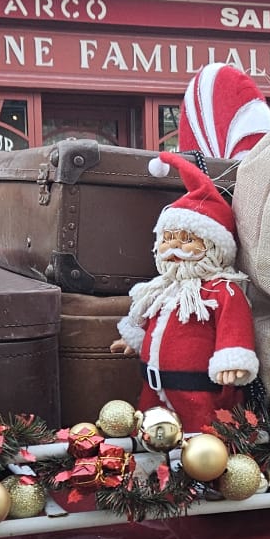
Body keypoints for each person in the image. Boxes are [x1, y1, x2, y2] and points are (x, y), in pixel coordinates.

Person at [111, 156, 257, 431]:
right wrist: (134, 339)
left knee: (203, 434)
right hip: (153, 384)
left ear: (214, 246)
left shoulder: (222, 289)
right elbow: (152, 321)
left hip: (199, 389)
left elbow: (234, 327)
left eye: (186, 240)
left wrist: (232, 360)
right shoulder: (163, 287)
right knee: (148, 430)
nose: (173, 247)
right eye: (166, 239)